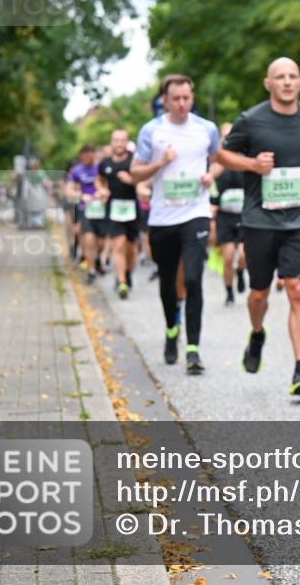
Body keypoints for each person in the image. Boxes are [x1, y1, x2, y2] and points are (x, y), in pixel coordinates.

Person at [218, 57, 300, 395]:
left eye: (293, 76)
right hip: (259, 220)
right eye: (280, 77)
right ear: (268, 84)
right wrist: (252, 164)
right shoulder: (250, 120)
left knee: (297, 289)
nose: (287, 82)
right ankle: (257, 333)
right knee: (259, 293)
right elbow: (223, 155)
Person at [131, 74, 220, 376]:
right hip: (162, 217)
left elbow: (219, 159)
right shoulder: (151, 131)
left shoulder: (206, 129)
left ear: (192, 98)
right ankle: (172, 328)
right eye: (176, 99)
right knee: (168, 282)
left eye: (187, 98)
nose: (182, 104)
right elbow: (135, 173)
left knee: (193, 279)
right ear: (165, 100)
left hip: (196, 212)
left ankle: (193, 349)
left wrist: (211, 175)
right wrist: (160, 163)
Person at [97, 129, 139, 299]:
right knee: (118, 245)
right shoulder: (105, 163)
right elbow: (99, 179)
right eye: (116, 140)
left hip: (133, 210)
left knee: (131, 249)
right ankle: (121, 281)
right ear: (111, 142)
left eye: (122, 140)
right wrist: (102, 189)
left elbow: (145, 180)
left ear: (127, 142)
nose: (119, 144)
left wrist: (131, 180)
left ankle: (127, 272)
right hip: (114, 210)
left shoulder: (135, 161)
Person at [211, 122, 248, 306]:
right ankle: (229, 292)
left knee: (243, 255)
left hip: (244, 215)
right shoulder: (216, 164)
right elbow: (210, 187)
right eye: (224, 136)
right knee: (227, 258)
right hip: (225, 217)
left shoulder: (246, 160)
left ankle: (240, 272)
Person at [68, 146, 105, 283]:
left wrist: (103, 193)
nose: (87, 158)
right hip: (85, 209)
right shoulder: (76, 171)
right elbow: (69, 191)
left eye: (90, 154)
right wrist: (81, 196)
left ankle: (96, 258)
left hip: (101, 209)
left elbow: (108, 185)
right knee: (88, 239)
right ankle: (91, 270)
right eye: (84, 155)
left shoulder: (101, 168)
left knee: (101, 242)